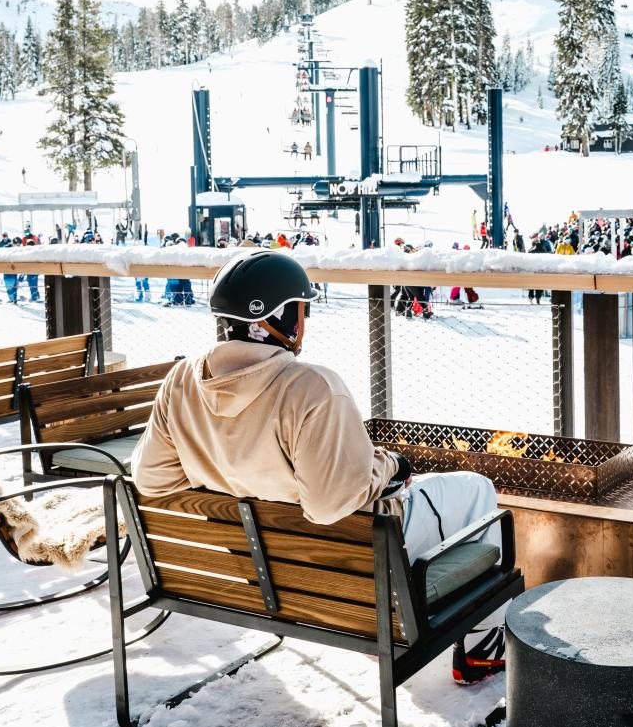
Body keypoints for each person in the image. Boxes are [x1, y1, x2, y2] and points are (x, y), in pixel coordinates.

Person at [131, 251, 507, 683]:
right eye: (300, 308)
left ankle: (390, 621)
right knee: (477, 489)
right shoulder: (312, 388)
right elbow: (331, 507)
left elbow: (149, 478)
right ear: (280, 316)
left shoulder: (180, 381)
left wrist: (226, 471)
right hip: (347, 566)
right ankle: (479, 649)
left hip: (263, 573)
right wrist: (386, 466)